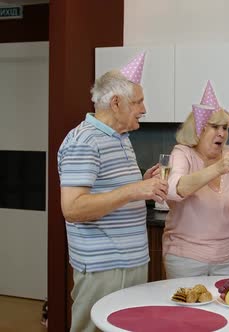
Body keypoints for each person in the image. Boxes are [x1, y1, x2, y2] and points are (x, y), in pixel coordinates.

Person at [58, 66, 169, 331]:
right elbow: (72, 208)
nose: (144, 109)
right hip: (105, 267)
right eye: (138, 102)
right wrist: (134, 190)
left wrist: (141, 183)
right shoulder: (84, 141)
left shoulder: (120, 137)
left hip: (131, 261)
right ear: (116, 102)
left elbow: (108, 190)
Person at [163, 104, 229, 278]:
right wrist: (218, 168)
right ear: (198, 130)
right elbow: (174, 189)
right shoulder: (183, 153)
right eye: (215, 127)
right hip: (187, 258)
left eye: (225, 128)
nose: (222, 133)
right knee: (188, 306)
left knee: (223, 305)